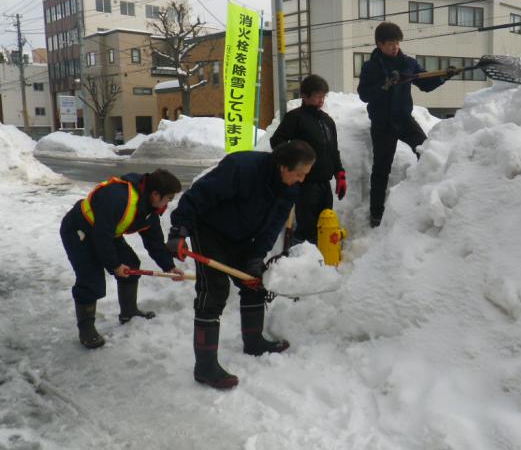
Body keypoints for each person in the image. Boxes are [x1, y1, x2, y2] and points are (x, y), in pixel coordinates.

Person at [167, 140, 316, 390]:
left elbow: (272, 226)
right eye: (299, 174)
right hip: (210, 230)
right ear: (283, 166)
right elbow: (197, 196)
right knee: (213, 293)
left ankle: (254, 341)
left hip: (243, 237)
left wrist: (256, 256)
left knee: (254, 282)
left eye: (305, 175)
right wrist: (179, 230)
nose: (301, 179)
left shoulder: (289, 188)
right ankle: (204, 367)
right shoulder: (243, 168)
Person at [60, 169, 184, 349]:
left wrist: (169, 266)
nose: (168, 203)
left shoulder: (148, 208)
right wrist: (115, 265)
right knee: (91, 281)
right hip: (79, 231)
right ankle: (86, 329)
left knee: (132, 265)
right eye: (168, 198)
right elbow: (101, 236)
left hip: (105, 232)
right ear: (156, 194)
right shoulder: (119, 198)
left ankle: (129, 312)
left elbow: (154, 241)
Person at [357, 21, 458, 228]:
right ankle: (376, 215)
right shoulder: (371, 67)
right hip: (383, 124)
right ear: (379, 44)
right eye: (390, 44)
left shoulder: (407, 63)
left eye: (397, 43)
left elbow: (425, 83)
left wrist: (444, 76)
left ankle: (427, 198)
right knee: (381, 169)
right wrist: (384, 85)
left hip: (404, 120)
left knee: (427, 152)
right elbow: (364, 95)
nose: (395, 47)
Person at [269, 74, 346, 245]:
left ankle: (322, 261)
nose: (321, 100)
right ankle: (300, 260)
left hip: (324, 184)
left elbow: (333, 150)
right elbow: (277, 141)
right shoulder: (295, 118)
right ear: (305, 96)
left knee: (325, 225)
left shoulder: (327, 121)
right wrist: (292, 163)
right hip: (305, 184)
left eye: (323, 96)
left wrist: (340, 173)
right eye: (317, 95)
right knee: (307, 229)